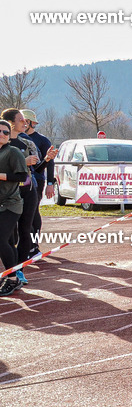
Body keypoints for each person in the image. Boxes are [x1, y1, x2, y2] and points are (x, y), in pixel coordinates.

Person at [1, 109, 40, 286]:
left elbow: (29, 172)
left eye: (5, 132)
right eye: (21, 120)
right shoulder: (4, 147)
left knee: (26, 231)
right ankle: (12, 272)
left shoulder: (25, 143)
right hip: (7, 195)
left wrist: (46, 160)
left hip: (25, 192)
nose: (25, 123)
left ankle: (19, 272)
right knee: (8, 237)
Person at [21, 109, 58, 256]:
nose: (31, 126)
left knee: (33, 212)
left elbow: (49, 163)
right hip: (20, 181)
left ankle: (34, 245)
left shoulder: (42, 140)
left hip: (37, 180)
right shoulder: (13, 138)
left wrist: (50, 183)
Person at [0, 119, 28, 296]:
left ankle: (12, 279)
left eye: (5, 132)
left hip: (10, 204)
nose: (2, 134)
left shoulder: (13, 151)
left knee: (0, 240)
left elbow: (22, 176)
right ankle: (14, 276)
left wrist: (1, 176)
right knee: (8, 242)